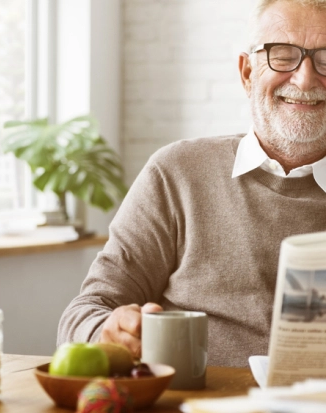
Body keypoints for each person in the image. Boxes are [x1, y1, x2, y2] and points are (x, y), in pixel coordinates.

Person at [57, 0, 326, 367]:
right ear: (247, 73)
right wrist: (107, 329)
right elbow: (85, 312)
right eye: (282, 55)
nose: (306, 78)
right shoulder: (176, 173)